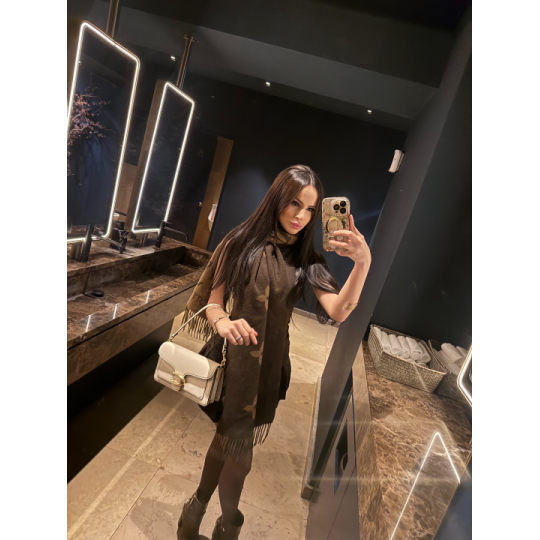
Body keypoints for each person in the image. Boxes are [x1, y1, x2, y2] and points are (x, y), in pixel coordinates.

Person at [176, 165, 372, 540]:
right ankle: (229, 525)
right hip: (233, 365)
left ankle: (193, 513)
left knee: (226, 441)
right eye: (294, 203)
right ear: (277, 199)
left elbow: (338, 311)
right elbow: (213, 302)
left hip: (268, 370)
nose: (301, 216)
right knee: (240, 456)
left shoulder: (307, 260)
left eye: (310, 209)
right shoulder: (238, 242)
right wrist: (223, 322)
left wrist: (362, 264)